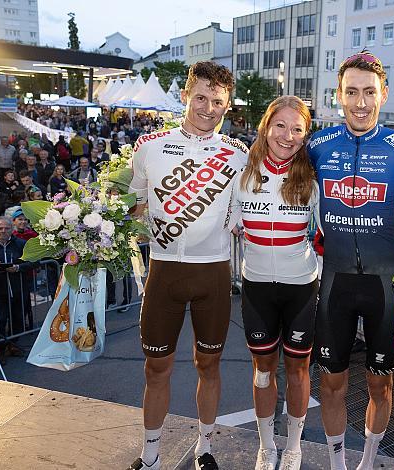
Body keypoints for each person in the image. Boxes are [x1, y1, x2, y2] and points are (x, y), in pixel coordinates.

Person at [307, 51, 394, 470]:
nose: (361, 103)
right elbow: (286, 195)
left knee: (381, 383)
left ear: (384, 95)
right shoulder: (318, 145)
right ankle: (338, 463)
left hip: (384, 287)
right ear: (338, 95)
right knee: (330, 381)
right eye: (352, 92)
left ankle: (369, 461)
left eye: (369, 93)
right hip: (334, 283)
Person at [127, 61, 249, 470]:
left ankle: (205, 447)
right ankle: (150, 455)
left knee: (208, 365)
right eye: (200, 97)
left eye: (217, 102)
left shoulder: (237, 154)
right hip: (164, 273)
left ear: (227, 106)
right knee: (155, 368)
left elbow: (244, 213)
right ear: (185, 96)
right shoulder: (149, 145)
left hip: (213, 274)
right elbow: (133, 208)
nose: (208, 108)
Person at [229, 96, 318, 470]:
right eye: (280, 125)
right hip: (258, 289)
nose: (288, 135)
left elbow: (335, 229)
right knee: (263, 372)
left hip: (301, 287)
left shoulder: (312, 179)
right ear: (266, 127)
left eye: (297, 129)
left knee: (298, 371)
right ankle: (267, 446)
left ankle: (293, 445)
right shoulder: (241, 174)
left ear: (304, 135)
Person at [0, 216, 34, 361]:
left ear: (12, 229)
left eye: (7, 228)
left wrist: (17, 267)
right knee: (0, 319)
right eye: (0, 228)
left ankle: (14, 345)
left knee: (18, 317)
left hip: (18, 287)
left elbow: (33, 262)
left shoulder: (21, 244)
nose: (3, 231)